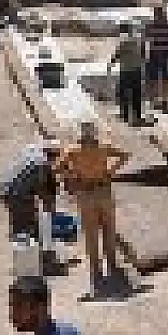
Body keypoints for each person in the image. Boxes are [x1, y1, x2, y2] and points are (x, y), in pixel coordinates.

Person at [55, 121, 131, 295]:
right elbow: (125, 155)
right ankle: (112, 264)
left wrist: (73, 175)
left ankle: (96, 270)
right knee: (109, 229)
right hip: (103, 190)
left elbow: (58, 168)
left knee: (91, 234)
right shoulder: (103, 148)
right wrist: (110, 171)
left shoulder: (74, 151)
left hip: (86, 192)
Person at [0, 140, 61, 266]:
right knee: (26, 228)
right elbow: (44, 193)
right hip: (17, 193)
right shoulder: (42, 164)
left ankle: (29, 262)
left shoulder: (31, 150)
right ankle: (33, 264)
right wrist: (50, 214)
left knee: (23, 226)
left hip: (6, 188)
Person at [109, 22, 145, 125]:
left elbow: (117, 55)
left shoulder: (122, 40)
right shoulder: (138, 39)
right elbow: (143, 54)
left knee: (123, 94)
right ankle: (137, 116)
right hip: (137, 70)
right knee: (136, 94)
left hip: (125, 70)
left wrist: (112, 63)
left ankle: (124, 115)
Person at [143, 5, 168, 109]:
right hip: (157, 56)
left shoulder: (167, 27)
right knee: (155, 79)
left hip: (164, 56)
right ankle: (154, 100)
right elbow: (145, 41)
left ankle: (163, 100)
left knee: (164, 79)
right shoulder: (154, 27)